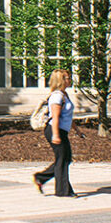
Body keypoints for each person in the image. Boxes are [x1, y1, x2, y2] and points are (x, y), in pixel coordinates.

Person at [33, 69, 77, 197]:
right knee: (62, 159)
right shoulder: (56, 96)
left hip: (61, 130)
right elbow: (55, 117)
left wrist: (77, 130)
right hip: (54, 130)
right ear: (60, 80)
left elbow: (67, 116)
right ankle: (63, 191)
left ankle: (40, 178)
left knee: (65, 158)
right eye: (67, 78)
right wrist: (56, 135)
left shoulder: (64, 94)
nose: (70, 80)